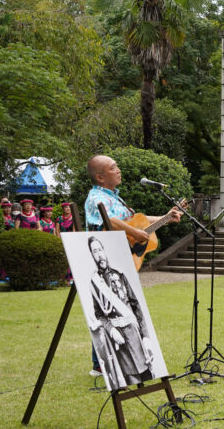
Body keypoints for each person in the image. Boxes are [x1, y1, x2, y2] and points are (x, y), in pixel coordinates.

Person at [84, 154, 181, 376]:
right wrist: (133, 232)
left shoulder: (114, 198)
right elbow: (108, 218)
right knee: (107, 309)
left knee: (127, 308)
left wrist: (165, 217)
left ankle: (132, 359)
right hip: (106, 261)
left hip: (122, 260)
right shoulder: (95, 198)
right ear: (100, 177)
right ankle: (100, 365)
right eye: (113, 167)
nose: (118, 170)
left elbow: (137, 220)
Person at [87, 236, 154, 388]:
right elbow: (99, 314)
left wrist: (146, 336)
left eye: (99, 250)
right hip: (119, 340)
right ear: (92, 255)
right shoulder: (94, 283)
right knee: (130, 380)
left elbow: (136, 305)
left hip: (134, 335)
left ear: (104, 251)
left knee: (147, 375)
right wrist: (111, 331)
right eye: (94, 251)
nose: (99, 255)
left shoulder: (120, 275)